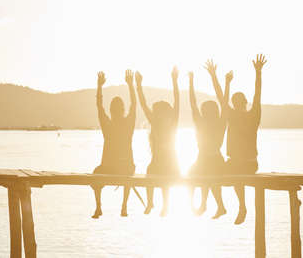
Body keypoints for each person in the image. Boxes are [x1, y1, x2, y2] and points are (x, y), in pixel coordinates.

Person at [212, 54, 267, 225]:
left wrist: (258, 73)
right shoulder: (232, 116)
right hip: (235, 162)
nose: (236, 105)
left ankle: (242, 207)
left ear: (245, 102)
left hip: (249, 163)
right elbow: (221, 98)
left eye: (238, 102)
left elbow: (258, 95)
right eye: (235, 103)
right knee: (210, 172)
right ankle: (221, 206)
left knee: (237, 174)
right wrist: (216, 77)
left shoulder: (253, 116)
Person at [188, 60, 232, 219]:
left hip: (211, 161)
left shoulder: (208, 124)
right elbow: (224, 104)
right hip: (208, 160)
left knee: (203, 176)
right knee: (194, 176)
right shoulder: (218, 123)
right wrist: (225, 82)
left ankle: (207, 205)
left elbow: (194, 104)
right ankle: (206, 204)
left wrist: (191, 82)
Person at [92, 70, 137, 219]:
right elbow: (134, 105)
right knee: (126, 174)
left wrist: (99, 86)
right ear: (121, 110)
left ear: (112, 111)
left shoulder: (109, 125)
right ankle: (122, 206)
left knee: (97, 175)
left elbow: (99, 107)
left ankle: (100, 206)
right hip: (120, 167)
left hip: (115, 167)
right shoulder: (125, 124)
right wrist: (131, 85)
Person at [136, 67, 180, 217]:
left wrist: (175, 81)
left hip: (171, 164)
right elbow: (143, 104)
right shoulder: (154, 123)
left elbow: (177, 101)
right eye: (157, 113)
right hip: (157, 163)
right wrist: (139, 86)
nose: (158, 115)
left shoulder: (172, 123)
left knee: (164, 181)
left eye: (160, 112)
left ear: (166, 113)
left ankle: (165, 206)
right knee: (150, 174)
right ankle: (150, 202)